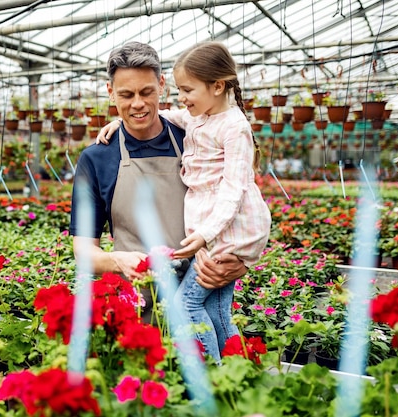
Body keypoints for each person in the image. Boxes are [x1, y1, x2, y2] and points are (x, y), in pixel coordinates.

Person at [96, 41, 271, 361]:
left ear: (217, 86)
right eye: (126, 95)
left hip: (221, 236)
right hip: (206, 242)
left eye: (187, 90)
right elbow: (167, 113)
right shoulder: (199, 117)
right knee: (216, 311)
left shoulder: (233, 127)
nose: (182, 98)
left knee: (187, 307)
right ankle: (237, 371)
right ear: (112, 92)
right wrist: (120, 122)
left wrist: (208, 238)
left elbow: (235, 191)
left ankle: (214, 374)